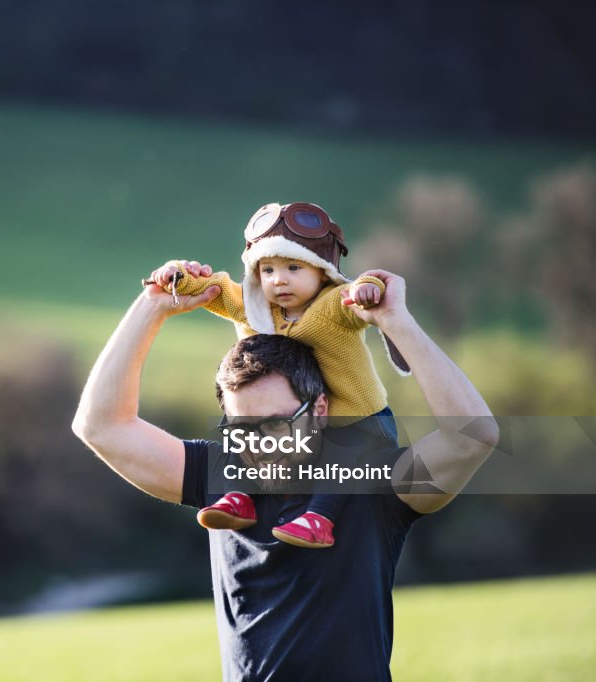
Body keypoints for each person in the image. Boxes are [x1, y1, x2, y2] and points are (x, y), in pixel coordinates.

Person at [71, 267, 497, 681]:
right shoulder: (221, 476)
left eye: (276, 423)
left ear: (320, 409)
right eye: (242, 428)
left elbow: (472, 436)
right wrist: (153, 306)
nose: (259, 443)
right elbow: (101, 426)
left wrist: (394, 320)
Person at [146, 202, 409, 549]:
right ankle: (239, 498)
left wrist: (369, 287)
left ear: (322, 271)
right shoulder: (252, 307)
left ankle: (320, 518)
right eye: (267, 270)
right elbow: (211, 286)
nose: (279, 279)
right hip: (297, 419)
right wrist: (176, 273)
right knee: (245, 432)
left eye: (293, 267)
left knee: (339, 459)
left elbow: (360, 289)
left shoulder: (332, 306)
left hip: (359, 422)